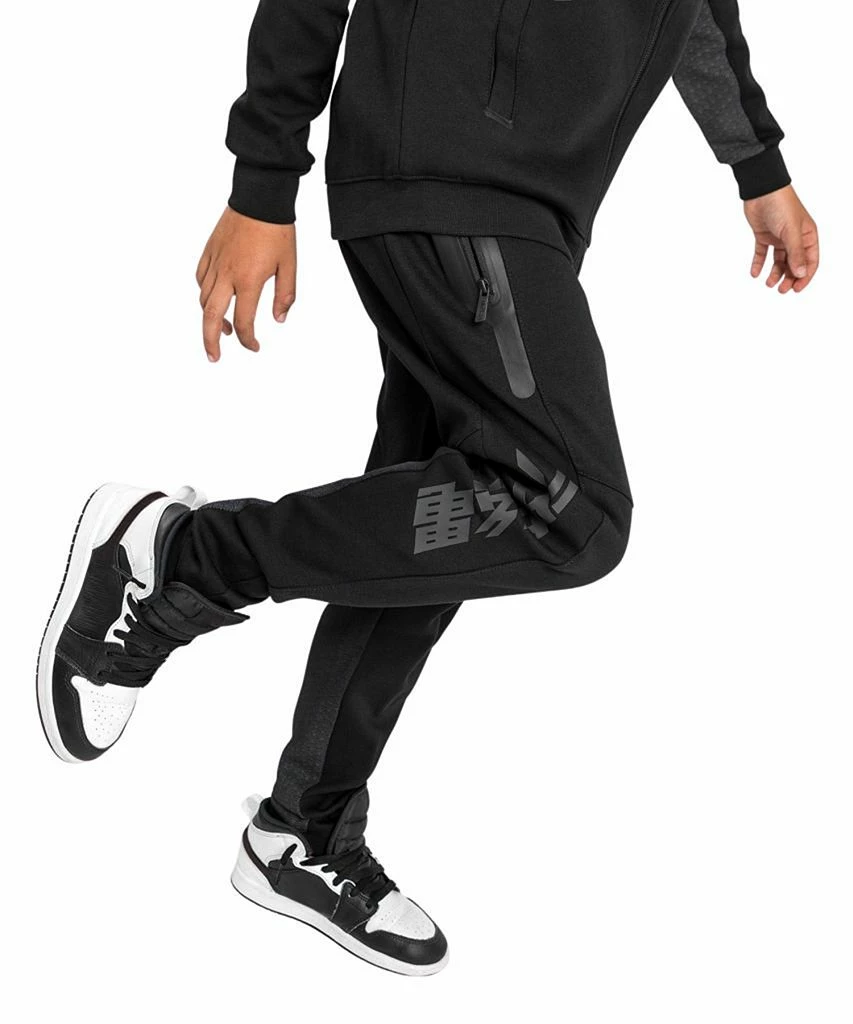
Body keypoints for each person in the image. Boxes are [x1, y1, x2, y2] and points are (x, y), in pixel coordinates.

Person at [36, 0, 819, 976]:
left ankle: (303, 828)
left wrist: (757, 165)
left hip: (522, 196)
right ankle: (183, 557)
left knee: (435, 524)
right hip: (454, 165)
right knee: (566, 508)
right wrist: (263, 182)